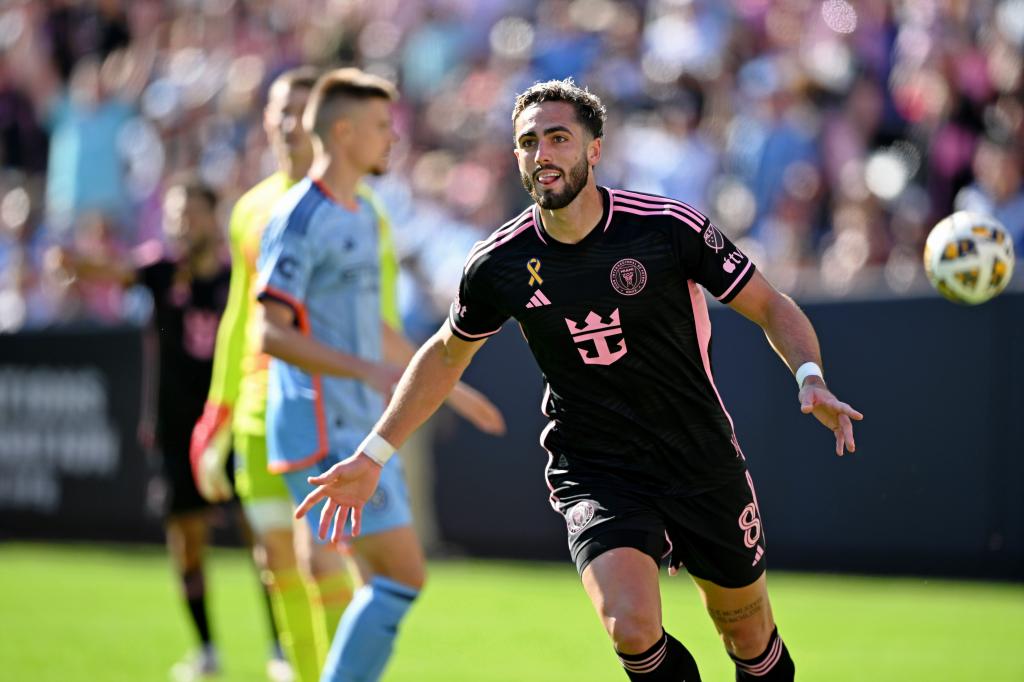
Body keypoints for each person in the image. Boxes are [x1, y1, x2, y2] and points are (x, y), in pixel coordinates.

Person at [295, 78, 864, 682]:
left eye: (559, 138)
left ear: (594, 150)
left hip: (697, 455)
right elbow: (443, 354)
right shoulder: (498, 264)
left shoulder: (664, 227)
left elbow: (771, 305)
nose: (543, 154)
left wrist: (809, 375)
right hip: (595, 466)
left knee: (749, 638)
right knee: (631, 628)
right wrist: (374, 453)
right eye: (528, 142)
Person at [255, 67, 505, 682]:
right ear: (342, 133)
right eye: (379, 127)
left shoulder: (365, 213)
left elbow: (372, 324)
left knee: (379, 579)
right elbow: (270, 332)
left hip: (353, 421)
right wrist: (364, 368)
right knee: (401, 573)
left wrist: (455, 388)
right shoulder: (300, 217)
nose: (392, 139)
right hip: (321, 429)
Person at [55, 177, 290, 680]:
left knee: (263, 538)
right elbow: (113, 272)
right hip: (173, 427)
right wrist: (72, 261)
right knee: (186, 539)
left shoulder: (237, 278)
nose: (183, 223)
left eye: (192, 213)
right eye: (176, 214)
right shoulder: (160, 272)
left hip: (229, 420)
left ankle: (280, 646)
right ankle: (207, 650)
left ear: (214, 217)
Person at [190, 66, 360, 682]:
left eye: (300, 111)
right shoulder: (250, 209)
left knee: (325, 563)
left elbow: (374, 314)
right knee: (275, 559)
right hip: (260, 410)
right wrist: (220, 409)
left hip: (325, 412)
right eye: (278, 111)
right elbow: (240, 315)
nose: (287, 124)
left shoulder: (356, 209)